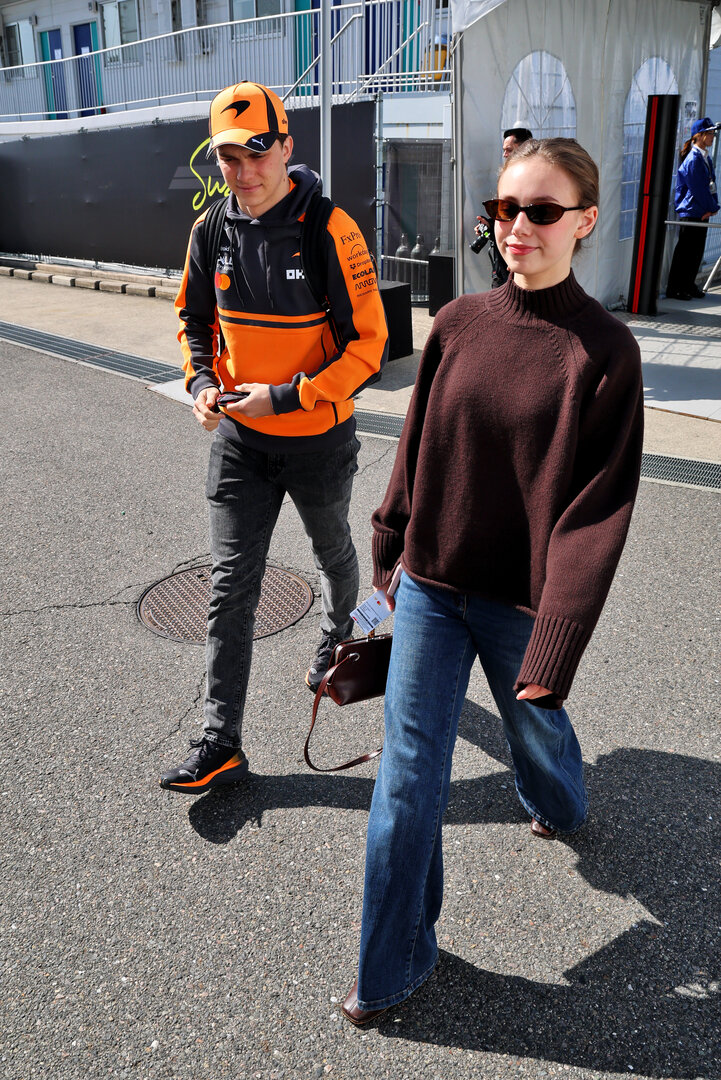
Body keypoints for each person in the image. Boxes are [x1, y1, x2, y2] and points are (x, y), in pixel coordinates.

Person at [341, 138, 644, 1025]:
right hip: (433, 586)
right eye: (503, 209)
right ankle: (389, 965)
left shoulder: (603, 351)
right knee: (406, 779)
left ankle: (556, 799)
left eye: (540, 211)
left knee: (536, 727)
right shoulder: (459, 322)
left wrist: (555, 638)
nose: (516, 227)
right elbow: (419, 446)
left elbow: (596, 512)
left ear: (584, 222)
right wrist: (390, 545)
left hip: (523, 602)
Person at [160, 81, 388, 794]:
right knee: (230, 587)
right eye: (228, 155)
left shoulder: (329, 228)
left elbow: (369, 348)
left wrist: (288, 394)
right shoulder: (209, 230)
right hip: (239, 443)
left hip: (316, 440)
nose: (242, 168)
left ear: (286, 146)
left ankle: (335, 637)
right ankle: (219, 741)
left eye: (256, 150)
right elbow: (194, 324)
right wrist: (201, 386)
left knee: (331, 553)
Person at [472, 124, 534, 287]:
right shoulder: (506, 178)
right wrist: (489, 226)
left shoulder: (535, 183)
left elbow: (522, 222)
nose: (505, 155)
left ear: (525, 149)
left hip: (521, 272)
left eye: (509, 150)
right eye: (504, 150)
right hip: (501, 271)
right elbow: (508, 217)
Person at [666, 116, 719, 300]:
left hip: (701, 211)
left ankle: (688, 284)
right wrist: (713, 207)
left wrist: (713, 207)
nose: (713, 136)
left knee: (696, 251)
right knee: (685, 252)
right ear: (700, 135)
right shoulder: (693, 160)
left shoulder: (705, 158)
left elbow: (711, 185)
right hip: (692, 212)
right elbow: (699, 189)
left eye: (713, 133)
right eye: (710, 133)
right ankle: (676, 288)